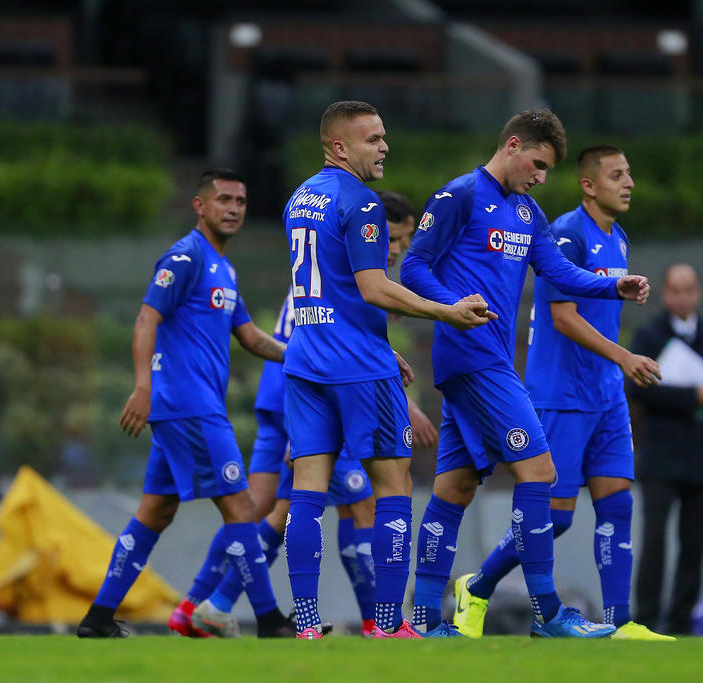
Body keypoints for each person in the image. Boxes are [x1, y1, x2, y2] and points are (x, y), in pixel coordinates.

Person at [402, 111, 651, 638]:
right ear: (513, 145)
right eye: (537, 164)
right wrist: (450, 305)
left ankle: (424, 620)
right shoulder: (460, 195)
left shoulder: (528, 212)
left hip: (488, 358)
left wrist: (612, 286)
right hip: (472, 356)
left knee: (454, 487)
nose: (540, 177)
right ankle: (549, 613)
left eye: (547, 170)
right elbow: (414, 266)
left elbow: (557, 272)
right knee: (540, 472)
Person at [176, 190, 436, 640]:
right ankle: (378, 620)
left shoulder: (323, 262)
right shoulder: (352, 271)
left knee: (265, 508)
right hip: (314, 391)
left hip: (287, 388)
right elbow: (336, 342)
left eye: (403, 241)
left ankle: (203, 604)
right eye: (393, 237)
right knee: (357, 503)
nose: (397, 248)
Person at [282, 101, 495, 640]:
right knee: (393, 485)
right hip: (358, 368)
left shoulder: (299, 198)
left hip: (306, 360)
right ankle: (386, 623)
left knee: (307, 492)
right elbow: (374, 288)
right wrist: (447, 310)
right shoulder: (362, 202)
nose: (384, 148)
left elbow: (329, 288)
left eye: (383, 137)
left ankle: (305, 624)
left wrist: (375, 342)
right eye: (372, 139)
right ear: (339, 147)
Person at [451, 146, 673, 641]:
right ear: (588, 185)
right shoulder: (567, 233)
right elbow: (563, 316)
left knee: (617, 504)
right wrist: (625, 357)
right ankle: (478, 586)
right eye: (617, 175)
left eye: (629, 173)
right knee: (556, 517)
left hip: (606, 396)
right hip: (561, 395)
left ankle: (619, 622)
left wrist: (616, 368)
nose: (629, 183)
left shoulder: (618, 238)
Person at [76, 169, 294, 638]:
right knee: (241, 508)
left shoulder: (225, 269)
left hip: (188, 409)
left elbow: (251, 337)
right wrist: (142, 387)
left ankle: (97, 618)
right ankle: (270, 621)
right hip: (189, 406)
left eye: (240, 201)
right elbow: (146, 319)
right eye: (223, 199)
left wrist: (304, 356)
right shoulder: (186, 255)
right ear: (200, 205)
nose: (233, 209)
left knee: (156, 512)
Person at [627, 263, 703, 635]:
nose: (682, 297)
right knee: (654, 540)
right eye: (675, 290)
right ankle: (646, 618)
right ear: (665, 294)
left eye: (689, 289)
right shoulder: (648, 336)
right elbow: (637, 388)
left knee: (694, 544)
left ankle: (681, 620)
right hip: (661, 455)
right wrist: (692, 396)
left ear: (698, 293)